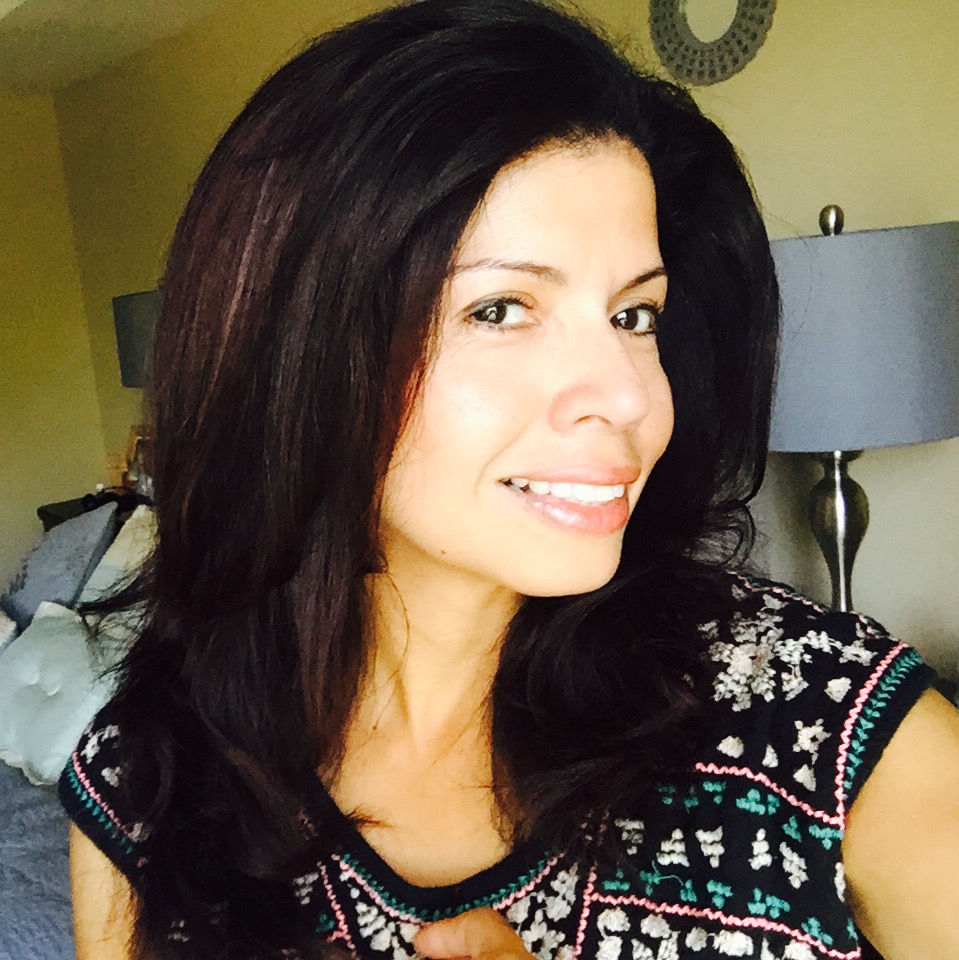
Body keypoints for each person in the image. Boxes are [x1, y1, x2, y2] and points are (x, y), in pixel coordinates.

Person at [61, 1, 959, 958]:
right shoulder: (146, 787)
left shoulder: (824, 722)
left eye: (634, 316)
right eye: (499, 309)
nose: (628, 395)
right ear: (295, 359)